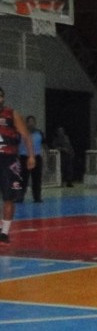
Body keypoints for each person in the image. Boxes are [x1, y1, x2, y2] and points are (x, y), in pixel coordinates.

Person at [0, 87, 35, 243]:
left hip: (8, 159)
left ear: (3, 98)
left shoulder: (12, 114)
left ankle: (5, 232)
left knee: (9, 197)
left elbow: (26, 136)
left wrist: (31, 156)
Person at [18, 115, 44, 203]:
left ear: (35, 123)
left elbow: (45, 144)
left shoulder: (39, 133)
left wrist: (46, 155)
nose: (31, 123)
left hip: (36, 157)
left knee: (37, 179)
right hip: (24, 158)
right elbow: (15, 144)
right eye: (29, 121)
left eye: (33, 121)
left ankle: (37, 197)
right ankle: (20, 197)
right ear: (26, 123)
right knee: (23, 179)